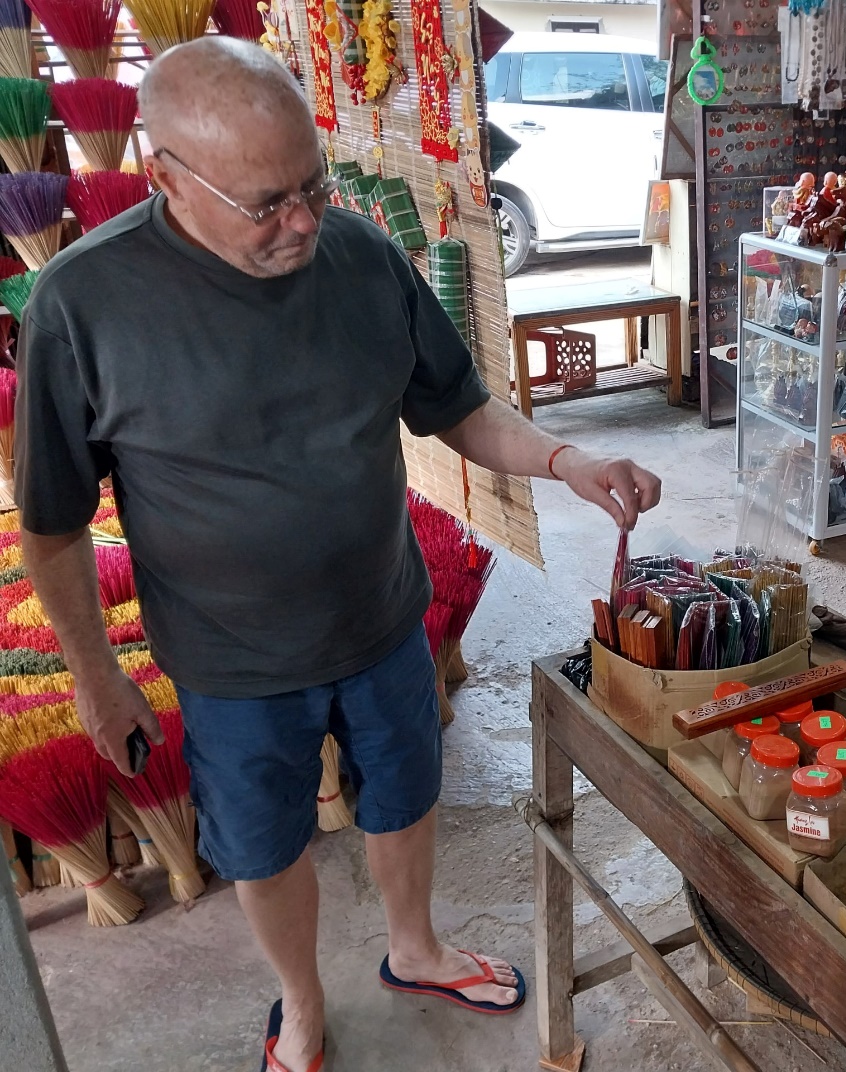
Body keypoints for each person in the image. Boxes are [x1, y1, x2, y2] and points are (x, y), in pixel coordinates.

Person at [15, 38, 661, 1072]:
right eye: (266, 202)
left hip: (380, 614)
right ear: (166, 175)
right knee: (265, 846)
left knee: (404, 794)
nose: (303, 220)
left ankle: (415, 947)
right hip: (232, 660)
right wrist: (96, 677)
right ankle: (301, 1003)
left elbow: (456, 408)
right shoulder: (86, 304)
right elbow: (49, 522)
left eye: (310, 183)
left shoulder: (360, 256)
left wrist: (565, 458)